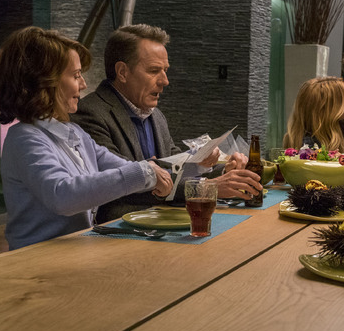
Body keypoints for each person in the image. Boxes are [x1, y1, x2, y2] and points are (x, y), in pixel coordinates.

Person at [0, 26, 173, 250]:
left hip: (75, 251)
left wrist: (153, 175)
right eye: (76, 75)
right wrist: (145, 172)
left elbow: (124, 168)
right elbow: (62, 195)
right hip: (34, 259)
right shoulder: (24, 138)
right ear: (45, 81)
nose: (84, 84)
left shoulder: (75, 133)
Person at [71, 24, 262, 223]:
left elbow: (175, 169)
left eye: (165, 70)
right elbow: (122, 183)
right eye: (154, 71)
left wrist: (224, 172)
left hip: (164, 225)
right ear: (122, 72)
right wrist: (209, 187)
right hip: (120, 230)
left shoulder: (156, 115)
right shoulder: (90, 113)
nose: (165, 81)